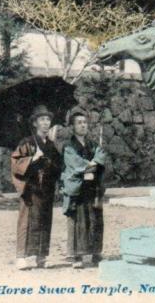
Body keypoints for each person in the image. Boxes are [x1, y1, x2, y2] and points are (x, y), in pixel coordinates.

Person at [11, 104, 61, 270]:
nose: (46, 123)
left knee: (45, 220)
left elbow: (58, 165)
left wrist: (50, 163)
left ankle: (41, 256)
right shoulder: (27, 143)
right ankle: (21, 257)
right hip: (31, 189)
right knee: (27, 220)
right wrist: (32, 159)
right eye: (42, 119)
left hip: (46, 189)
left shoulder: (50, 145)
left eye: (48, 119)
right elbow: (16, 163)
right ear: (34, 123)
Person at [61, 108, 108, 268]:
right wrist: (90, 167)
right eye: (79, 123)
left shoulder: (93, 144)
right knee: (78, 220)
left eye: (85, 123)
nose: (83, 126)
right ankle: (75, 256)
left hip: (92, 188)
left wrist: (94, 164)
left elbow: (101, 155)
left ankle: (95, 252)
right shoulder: (68, 146)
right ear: (73, 127)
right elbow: (74, 163)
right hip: (78, 188)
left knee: (94, 219)